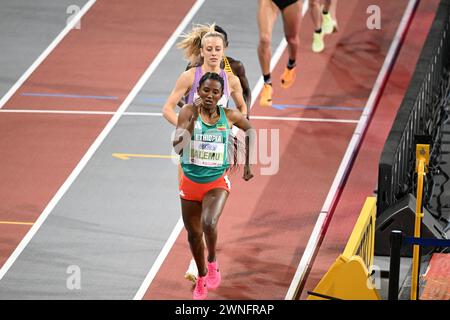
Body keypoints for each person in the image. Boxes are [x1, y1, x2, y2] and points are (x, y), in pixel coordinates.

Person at [162, 26, 252, 284]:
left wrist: (231, 129)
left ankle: (200, 263)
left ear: (224, 51)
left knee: (208, 214)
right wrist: (186, 129)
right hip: (189, 150)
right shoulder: (190, 76)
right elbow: (167, 108)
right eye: (209, 49)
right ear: (202, 51)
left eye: (218, 50)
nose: (213, 54)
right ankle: (201, 260)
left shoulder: (231, 78)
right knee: (193, 204)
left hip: (216, 152)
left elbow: (243, 107)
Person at [173, 72, 254, 300]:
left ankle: (212, 262)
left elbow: (250, 130)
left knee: (209, 222)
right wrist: (191, 123)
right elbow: (178, 148)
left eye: (215, 92)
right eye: (206, 90)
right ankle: (200, 277)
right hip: (190, 181)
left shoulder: (228, 115)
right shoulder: (188, 112)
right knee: (193, 236)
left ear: (221, 95)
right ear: (198, 91)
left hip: (216, 181)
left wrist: (248, 166)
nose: (209, 95)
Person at [177, 24, 252, 112]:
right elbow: (178, 98)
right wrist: (193, 111)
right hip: (195, 123)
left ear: (225, 46)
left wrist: (245, 116)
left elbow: (246, 92)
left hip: (220, 122)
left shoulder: (235, 66)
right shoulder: (194, 66)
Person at [257, 0, 302, 108]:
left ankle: (291, 65)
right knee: (264, 39)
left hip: (291, 2)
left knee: (292, 39)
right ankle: (267, 84)